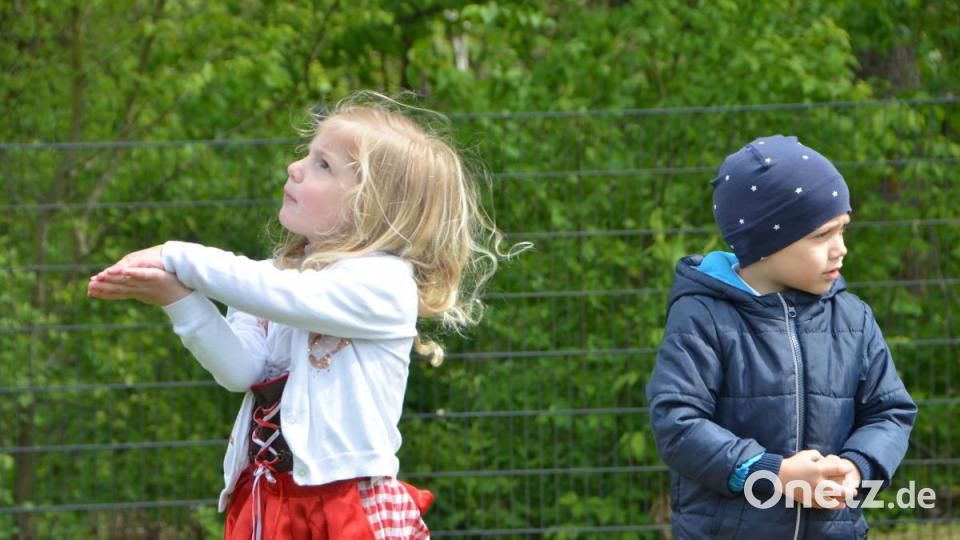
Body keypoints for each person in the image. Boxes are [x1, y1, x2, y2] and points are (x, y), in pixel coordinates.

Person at [88, 93, 522, 539]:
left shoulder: (384, 286)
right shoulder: (277, 283)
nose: (295, 168)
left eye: (323, 165)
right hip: (266, 503)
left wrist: (174, 254)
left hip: (342, 510)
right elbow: (242, 371)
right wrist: (178, 299)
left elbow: (282, 294)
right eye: (307, 155)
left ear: (370, 208)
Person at [646, 134, 917, 539]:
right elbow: (678, 423)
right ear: (765, 244)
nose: (840, 249)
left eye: (843, 230)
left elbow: (890, 412)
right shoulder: (703, 316)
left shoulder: (853, 319)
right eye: (821, 235)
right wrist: (777, 473)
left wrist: (859, 466)